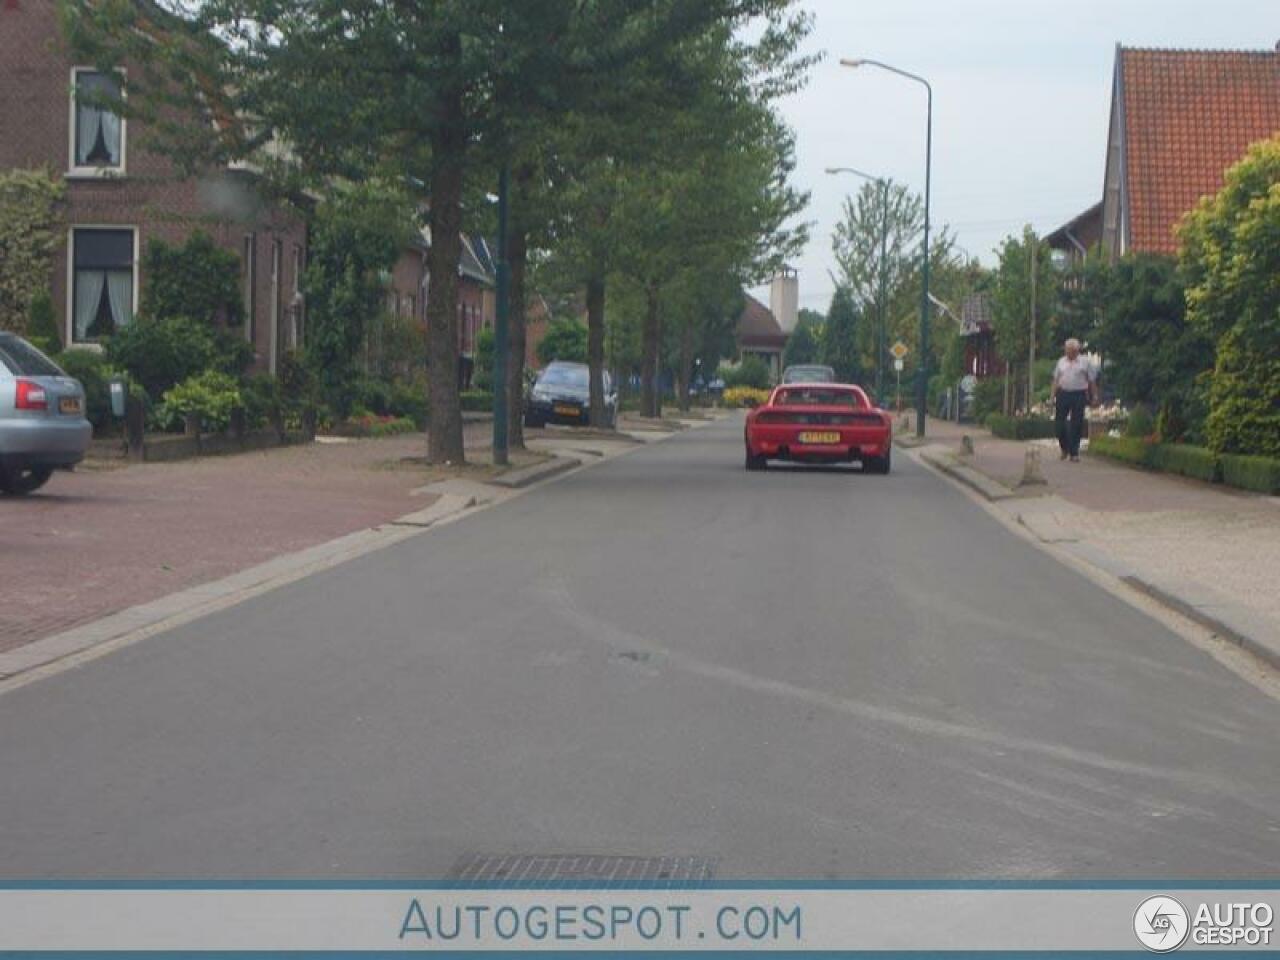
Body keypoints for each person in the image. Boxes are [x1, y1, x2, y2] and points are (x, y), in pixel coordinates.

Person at [1050, 338, 1096, 462]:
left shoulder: (1084, 362)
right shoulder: (1061, 362)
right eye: (1067, 350)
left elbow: (1091, 380)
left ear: (1077, 351)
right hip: (1063, 393)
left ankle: (1074, 453)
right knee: (1059, 423)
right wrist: (1052, 396)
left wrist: (1094, 396)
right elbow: (1055, 380)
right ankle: (1064, 448)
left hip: (1079, 394)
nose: (1068, 353)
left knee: (1077, 423)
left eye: (1071, 351)